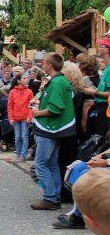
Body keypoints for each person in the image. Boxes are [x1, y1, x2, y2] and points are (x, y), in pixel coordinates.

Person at [30, 52, 76, 211]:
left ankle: (50, 197)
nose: (43, 65)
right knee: (51, 163)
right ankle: (55, 196)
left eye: (44, 63)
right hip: (54, 129)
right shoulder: (61, 81)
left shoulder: (57, 83)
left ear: (49, 65)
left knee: (41, 164)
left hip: (49, 128)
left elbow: (56, 108)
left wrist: (38, 113)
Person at [7, 74, 34, 163]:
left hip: (25, 117)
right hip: (15, 118)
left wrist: (29, 116)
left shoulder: (29, 91)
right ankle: (18, 154)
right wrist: (10, 117)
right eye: (24, 78)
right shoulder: (12, 92)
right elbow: (10, 106)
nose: (26, 80)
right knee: (18, 137)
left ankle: (23, 155)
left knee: (24, 136)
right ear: (18, 81)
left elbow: (31, 106)